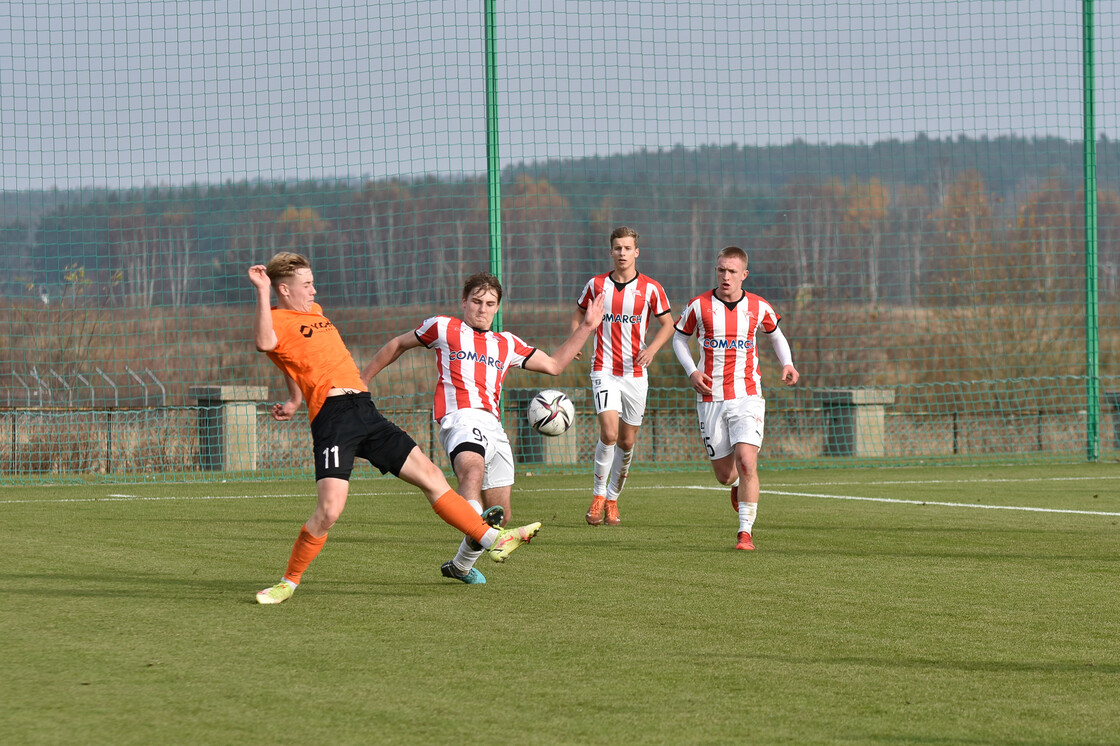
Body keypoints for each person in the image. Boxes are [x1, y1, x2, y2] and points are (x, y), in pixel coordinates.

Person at [248, 253, 542, 604]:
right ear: (284, 289)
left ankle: (495, 540)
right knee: (329, 510)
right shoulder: (275, 318)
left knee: (432, 477)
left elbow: (291, 360)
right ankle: (288, 582)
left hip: (364, 410)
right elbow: (268, 345)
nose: (313, 289)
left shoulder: (315, 312)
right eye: (306, 284)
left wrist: (294, 398)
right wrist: (263, 292)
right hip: (333, 418)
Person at [363, 272, 604, 583]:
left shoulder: (507, 343)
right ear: (464, 302)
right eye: (476, 301)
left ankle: (460, 565)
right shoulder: (444, 327)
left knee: (501, 513)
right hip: (459, 418)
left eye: (490, 303)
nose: (482, 308)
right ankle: (483, 534)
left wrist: (586, 327)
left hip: (494, 427)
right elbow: (397, 344)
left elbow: (555, 365)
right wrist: (363, 379)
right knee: (471, 472)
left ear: (497, 308)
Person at [672, 246, 799, 550]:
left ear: (744, 275)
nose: (725, 276)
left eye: (731, 271)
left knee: (746, 461)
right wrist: (691, 371)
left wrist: (788, 363)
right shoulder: (698, 306)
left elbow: (775, 334)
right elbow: (679, 338)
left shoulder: (758, 306)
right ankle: (739, 486)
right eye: (720, 270)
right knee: (725, 476)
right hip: (710, 398)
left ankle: (745, 533)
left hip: (747, 395)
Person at [571, 226, 674, 526]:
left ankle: (613, 499)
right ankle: (598, 496)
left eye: (627, 248)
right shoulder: (596, 284)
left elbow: (668, 324)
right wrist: (577, 338)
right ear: (611, 251)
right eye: (617, 248)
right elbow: (578, 313)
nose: (622, 253)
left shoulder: (651, 288)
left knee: (627, 442)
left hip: (636, 373)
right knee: (610, 433)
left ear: (636, 252)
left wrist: (652, 349)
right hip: (603, 368)